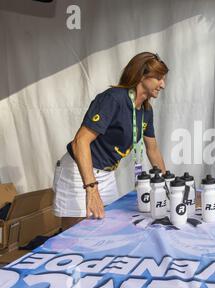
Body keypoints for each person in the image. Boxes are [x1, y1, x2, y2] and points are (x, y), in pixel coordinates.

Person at [53, 52, 168, 230]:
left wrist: (166, 184)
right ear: (141, 76)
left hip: (106, 175)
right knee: (73, 233)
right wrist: (91, 188)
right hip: (79, 172)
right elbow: (80, 142)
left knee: (104, 230)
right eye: (159, 78)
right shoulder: (113, 98)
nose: (163, 85)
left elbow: (152, 150)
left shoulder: (146, 111)